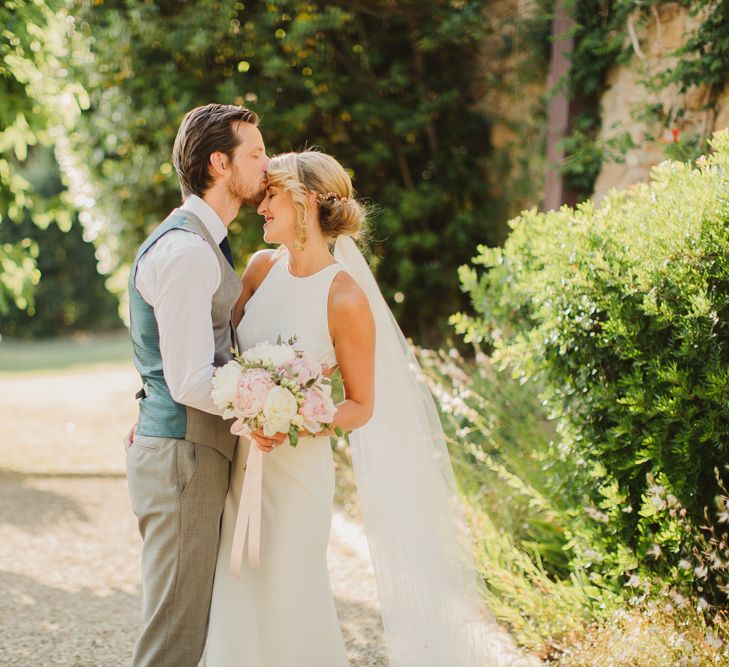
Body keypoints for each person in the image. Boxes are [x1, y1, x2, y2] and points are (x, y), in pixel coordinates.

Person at [206, 151, 536, 666]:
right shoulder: (258, 268)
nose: (260, 207)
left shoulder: (344, 297)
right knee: (237, 599)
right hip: (241, 465)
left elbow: (361, 405)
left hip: (296, 475)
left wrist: (292, 414)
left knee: (293, 602)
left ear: (306, 200)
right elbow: (221, 356)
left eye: (271, 195)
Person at [125, 103, 269, 667]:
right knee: (173, 639)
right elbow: (187, 379)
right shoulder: (186, 251)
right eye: (254, 154)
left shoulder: (200, 241)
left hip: (188, 450)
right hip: (182, 455)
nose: (266, 165)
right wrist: (265, 407)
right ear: (219, 163)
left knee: (190, 627)